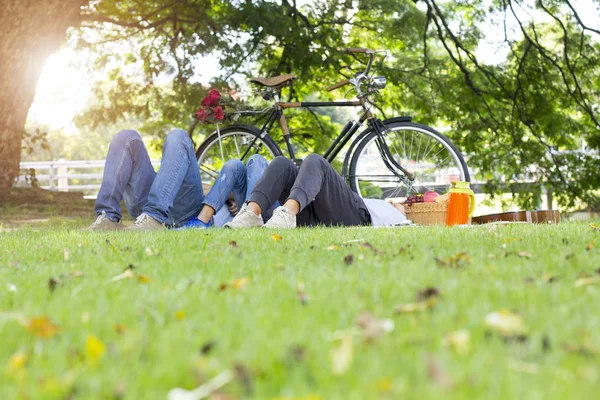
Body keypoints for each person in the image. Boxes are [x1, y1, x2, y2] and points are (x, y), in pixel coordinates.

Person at [87, 128, 269, 231]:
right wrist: (227, 195)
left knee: (178, 136)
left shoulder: (254, 208)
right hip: (153, 204)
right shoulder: (231, 179)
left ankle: (154, 217)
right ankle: (107, 217)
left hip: (185, 215)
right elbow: (218, 184)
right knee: (127, 137)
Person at [224, 154, 409, 229]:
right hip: (316, 214)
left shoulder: (398, 218)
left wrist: (400, 208)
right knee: (282, 163)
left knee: (315, 160)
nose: (398, 203)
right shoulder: (382, 205)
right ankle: (251, 212)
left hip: (355, 215)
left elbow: (405, 216)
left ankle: (286, 214)